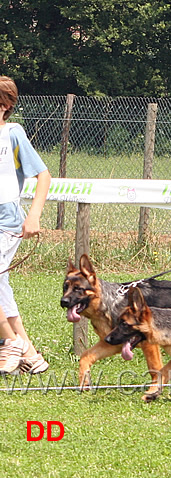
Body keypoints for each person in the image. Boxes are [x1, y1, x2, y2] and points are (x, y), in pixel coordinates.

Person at [0, 75, 51, 374]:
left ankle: (10, 343)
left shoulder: (13, 134)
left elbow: (42, 176)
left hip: (6, 223)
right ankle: (31, 356)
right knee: (1, 289)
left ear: (5, 106)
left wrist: (33, 215)